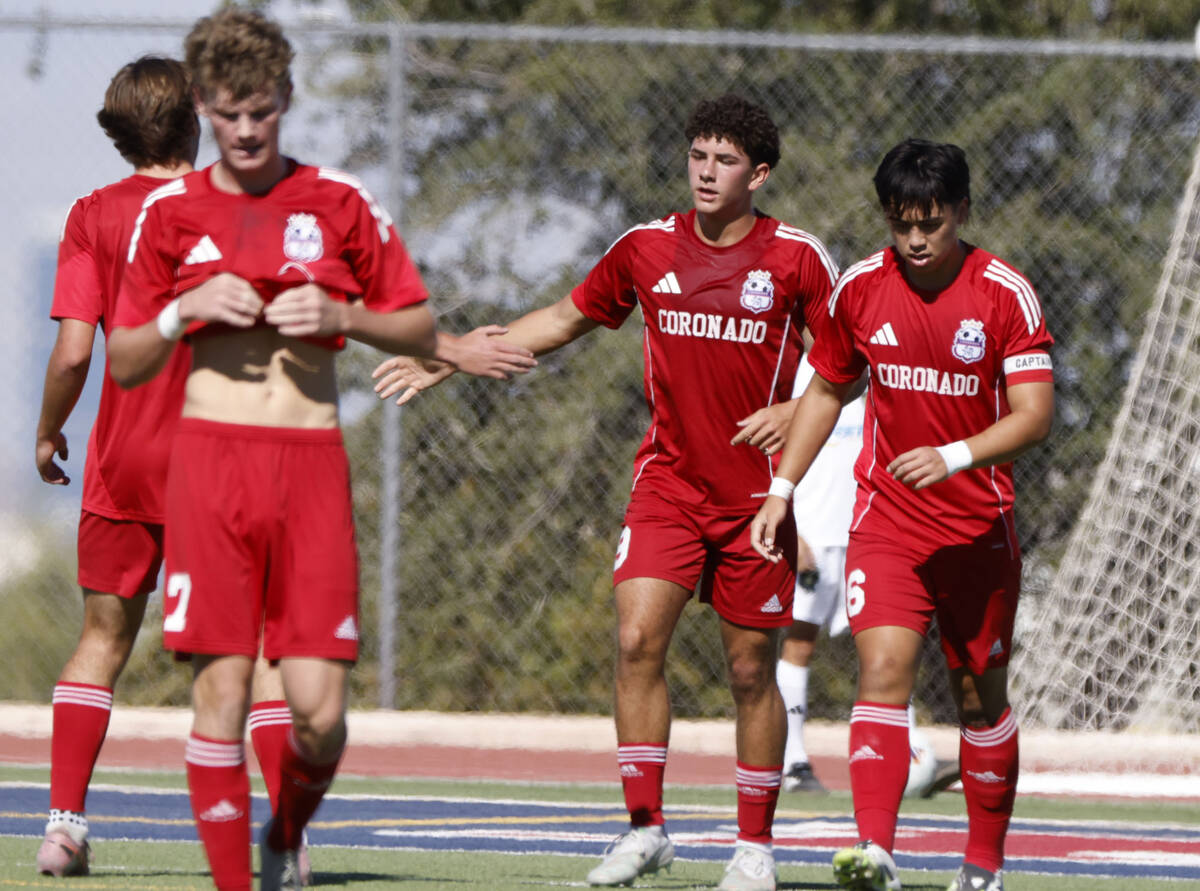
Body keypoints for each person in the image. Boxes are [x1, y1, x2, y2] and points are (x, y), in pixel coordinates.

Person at [106, 10, 532, 891]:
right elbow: (125, 358)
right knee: (220, 695)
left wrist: (343, 316)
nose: (247, 129)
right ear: (203, 108)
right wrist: (183, 311)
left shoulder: (336, 201)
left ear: (287, 98)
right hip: (212, 465)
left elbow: (416, 321)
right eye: (228, 113)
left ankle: (285, 830)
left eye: (261, 110)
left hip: (308, 469)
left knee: (320, 712)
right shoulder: (172, 212)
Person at [374, 93, 839, 891]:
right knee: (634, 641)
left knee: (750, 670)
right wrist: (446, 356)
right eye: (698, 153)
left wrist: (796, 407)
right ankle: (645, 827)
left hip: (755, 501)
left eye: (725, 160)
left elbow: (849, 364)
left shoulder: (796, 259)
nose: (705, 170)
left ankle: (755, 848)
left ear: (758, 175)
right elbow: (563, 317)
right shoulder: (646, 248)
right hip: (667, 485)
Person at [750, 138, 1054, 891]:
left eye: (931, 222)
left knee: (980, 699)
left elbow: (1035, 415)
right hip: (887, 523)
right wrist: (781, 490)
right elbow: (825, 390)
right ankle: (875, 849)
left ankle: (983, 865)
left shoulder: (1003, 294)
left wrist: (954, 457)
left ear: (961, 212)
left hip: (978, 530)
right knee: (881, 670)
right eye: (900, 222)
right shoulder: (861, 288)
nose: (915, 239)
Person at [775, 354, 863, 793]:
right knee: (799, 643)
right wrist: (794, 529)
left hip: (865, 533)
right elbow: (773, 448)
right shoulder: (797, 369)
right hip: (813, 533)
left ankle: (905, 754)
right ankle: (793, 762)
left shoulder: (869, 359)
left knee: (886, 643)